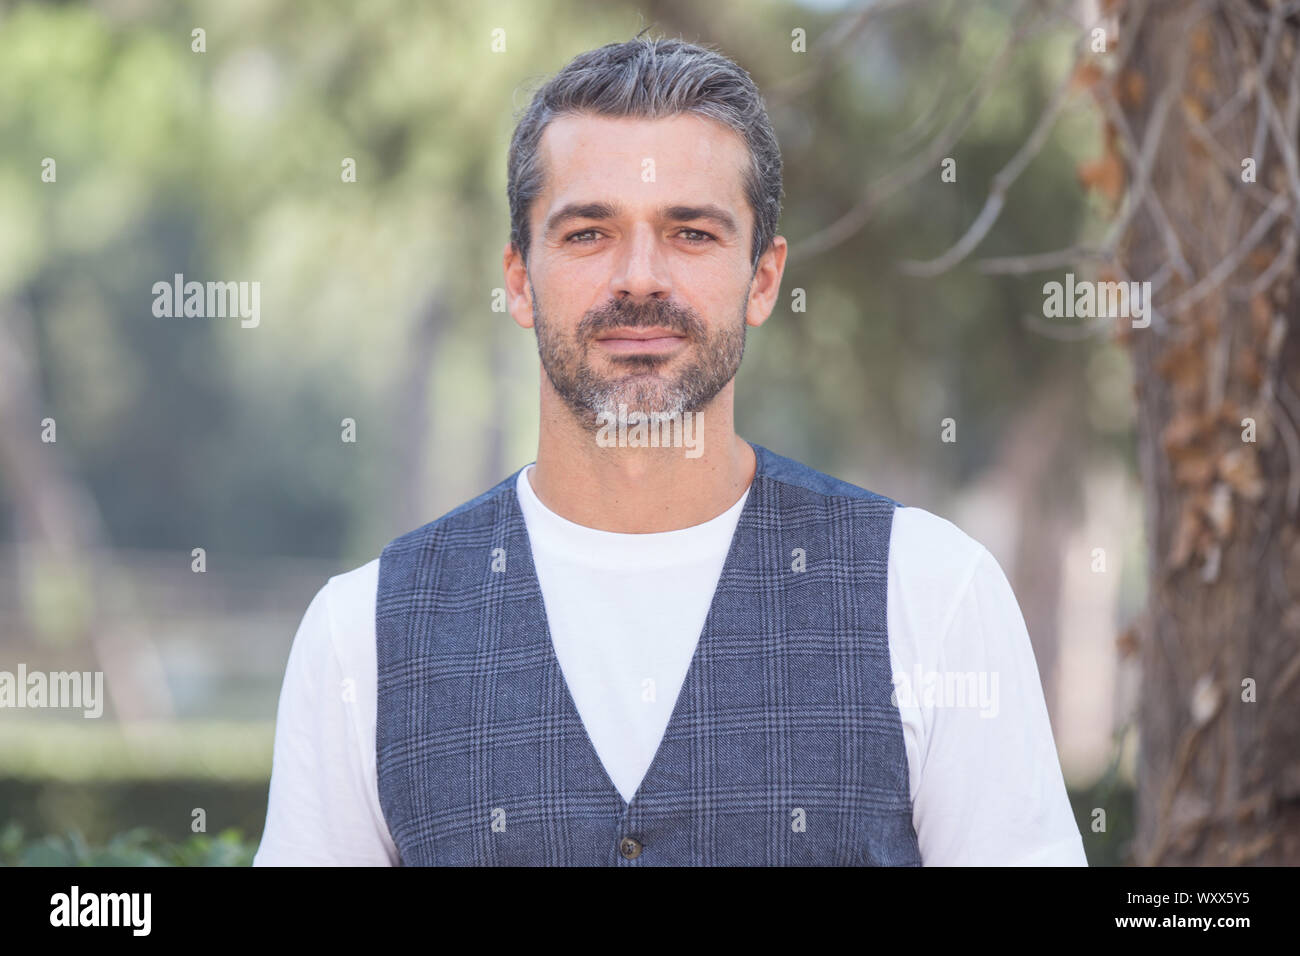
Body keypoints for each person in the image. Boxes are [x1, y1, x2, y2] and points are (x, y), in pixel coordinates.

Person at [253, 34, 1087, 866]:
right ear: (517, 278)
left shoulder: (934, 596)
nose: (641, 277)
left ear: (762, 279)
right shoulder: (360, 635)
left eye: (691, 233)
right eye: (588, 234)